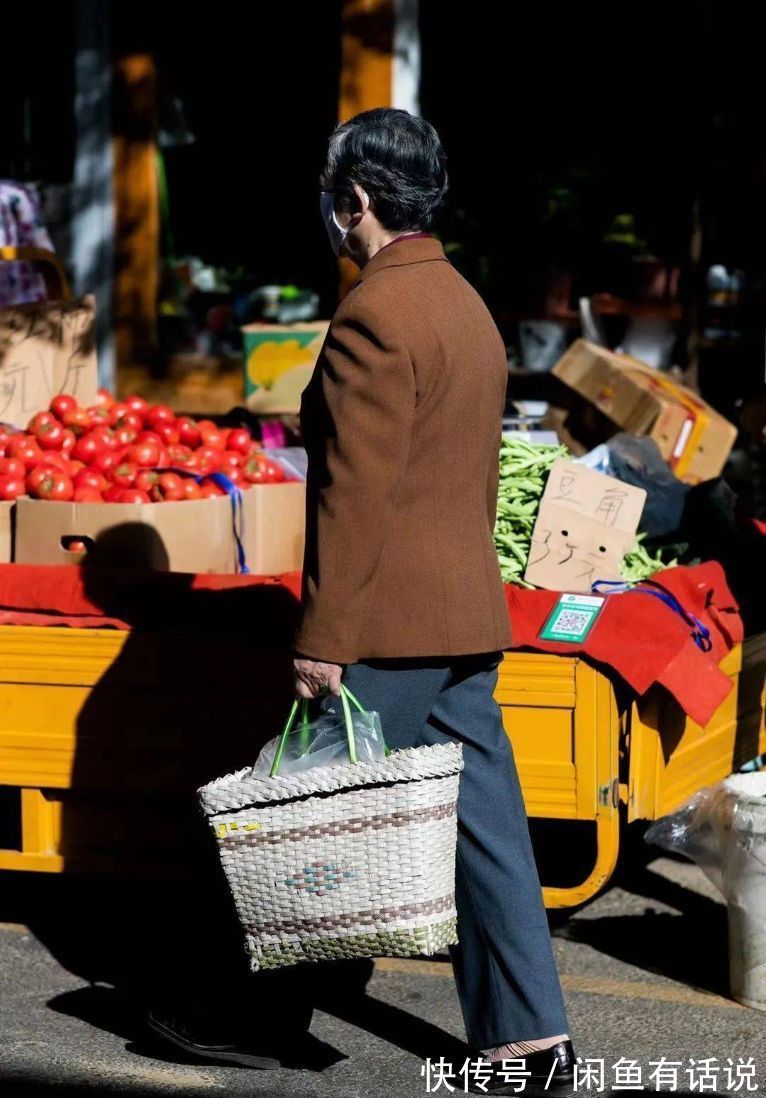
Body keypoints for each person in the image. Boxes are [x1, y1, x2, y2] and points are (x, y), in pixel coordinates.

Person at [293, 107, 576, 1094]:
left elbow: (354, 492)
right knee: (483, 830)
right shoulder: (460, 299)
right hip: (460, 617)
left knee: (299, 815)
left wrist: (324, 635)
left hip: (389, 622)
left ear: (356, 201)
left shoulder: (376, 311)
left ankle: (238, 1009)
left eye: (334, 198)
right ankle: (530, 1037)